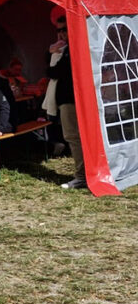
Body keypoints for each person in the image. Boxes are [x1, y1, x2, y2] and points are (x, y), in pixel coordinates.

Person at [48, 17, 86, 189]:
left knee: (73, 136)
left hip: (71, 98)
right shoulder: (69, 48)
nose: (62, 34)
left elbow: (54, 72)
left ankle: (82, 176)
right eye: (59, 30)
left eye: (64, 29)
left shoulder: (71, 48)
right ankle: (84, 174)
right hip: (74, 97)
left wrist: (51, 53)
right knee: (76, 136)